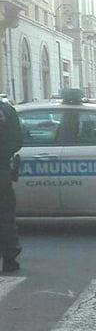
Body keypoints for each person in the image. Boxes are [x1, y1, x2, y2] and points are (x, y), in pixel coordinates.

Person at [0, 99, 23, 272]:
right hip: (2, 170)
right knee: (6, 216)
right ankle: (9, 258)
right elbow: (17, 141)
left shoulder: (6, 111)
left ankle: (9, 256)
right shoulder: (7, 110)